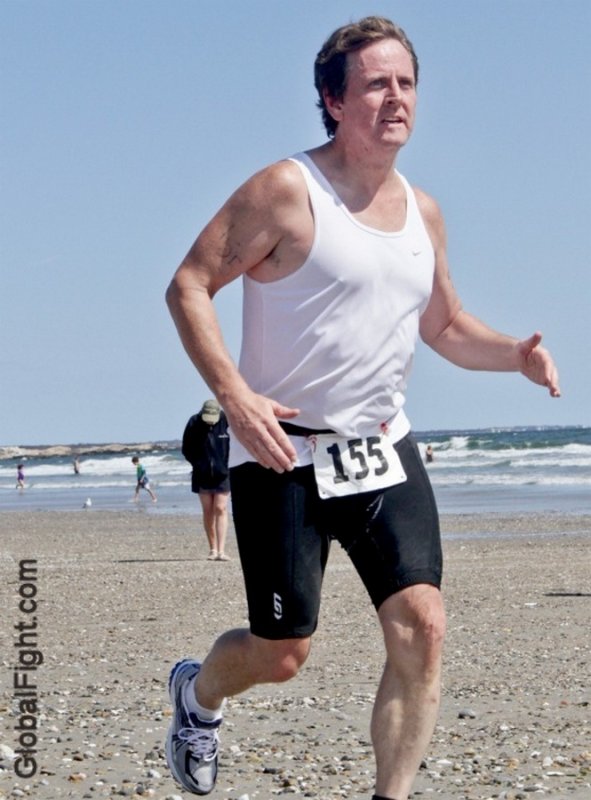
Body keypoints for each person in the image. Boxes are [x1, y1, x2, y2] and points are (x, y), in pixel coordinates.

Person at [164, 16, 560, 800]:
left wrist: (512, 354)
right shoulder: (285, 190)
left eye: (405, 83)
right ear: (332, 100)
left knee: (423, 625)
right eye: (375, 83)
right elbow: (188, 286)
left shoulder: (424, 212)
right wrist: (234, 397)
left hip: (380, 446)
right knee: (281, 652)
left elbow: (443, 325)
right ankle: (196, 694)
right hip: (283, 451)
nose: (394, 98)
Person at [182, 399, 231, 561]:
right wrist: (198, 464)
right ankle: (213, 549)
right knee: (208, 510)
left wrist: (227, 464)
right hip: (201, 474)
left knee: (221, 508)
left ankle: (222, 550)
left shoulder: (226, 421)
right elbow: (186, 448)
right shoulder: (194, 422)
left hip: (223, 474)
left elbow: (236, 445)